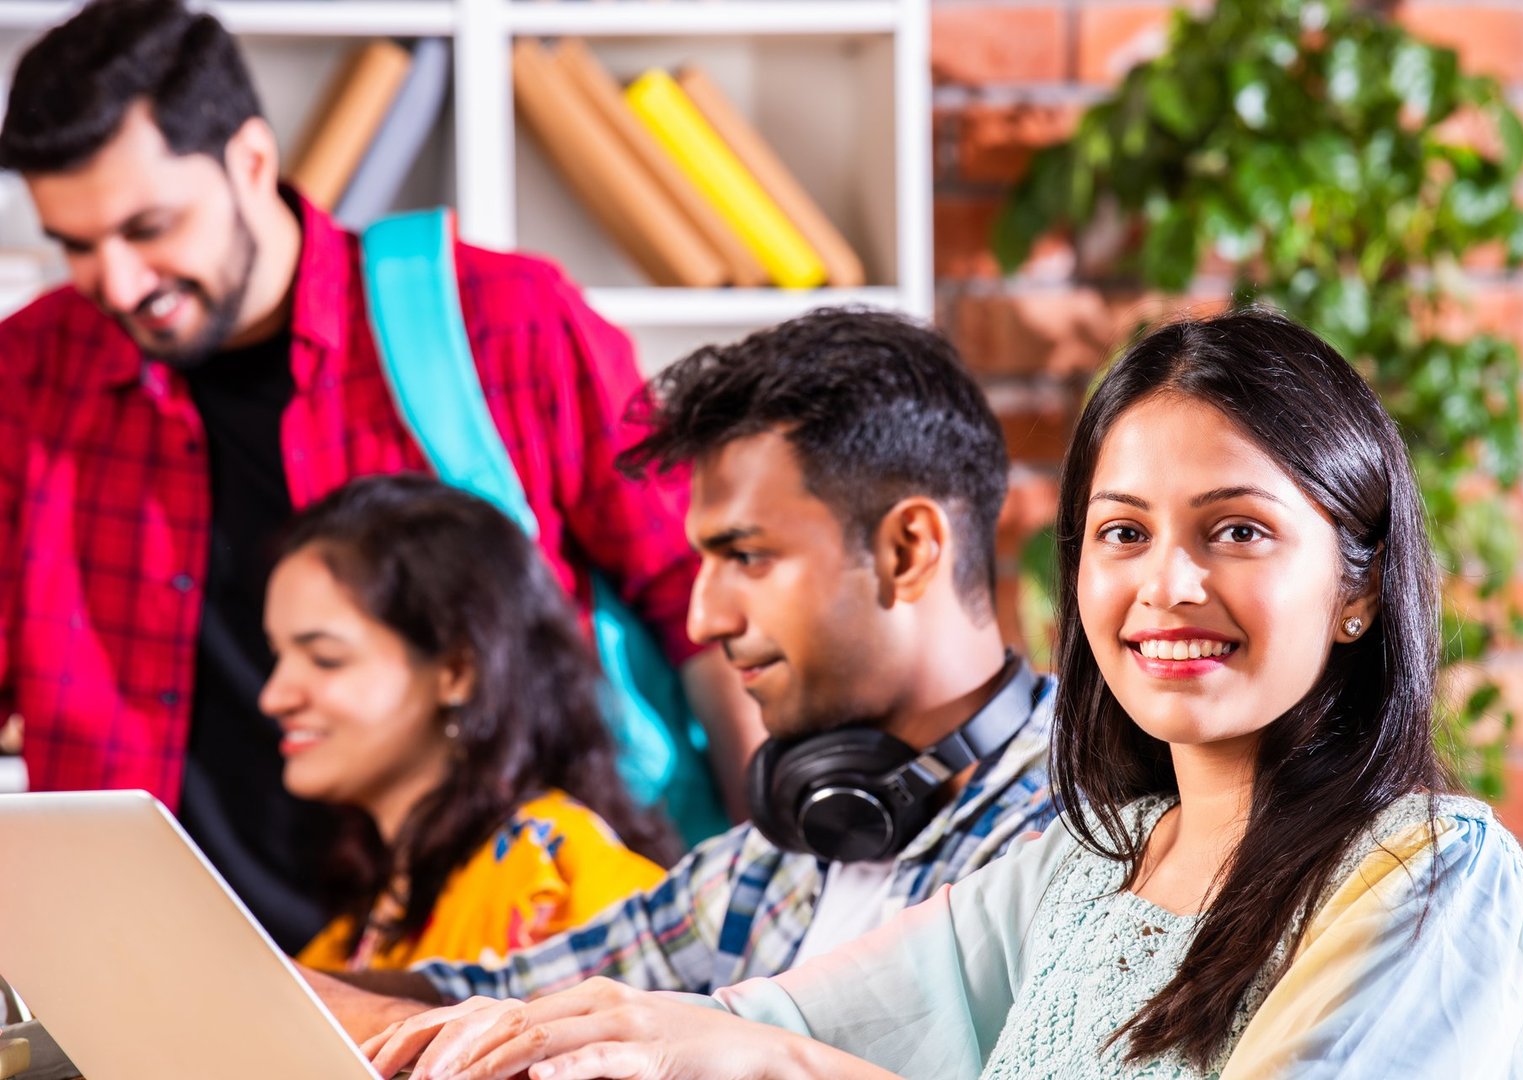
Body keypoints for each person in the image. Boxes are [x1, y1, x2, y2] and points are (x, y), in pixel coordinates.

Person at [363, 309, 1523, 1080]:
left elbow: (790, 1065)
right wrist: (598, 1037)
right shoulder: (1093, 863)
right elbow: (774, 1027)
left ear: (1359, 587)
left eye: (1235, 529)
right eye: (1121, 533)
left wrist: (771, 1067)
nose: (1165, 586)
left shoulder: (1431, 874)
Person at [0, 0, 758, 953]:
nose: (116, 282)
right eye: (75, 244)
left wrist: (755, 919)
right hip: (152, 969)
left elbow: (709, 607)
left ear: (250, 161)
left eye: (149, 227)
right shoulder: (29, 376)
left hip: (489, 958)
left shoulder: (503, 324)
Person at [308, 306, 1059, 1038]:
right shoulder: (785, 850)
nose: (705, 619)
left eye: (747, 557)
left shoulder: (1098, 844)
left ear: (906, 549)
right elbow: (507, 995)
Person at [262, 474, 677, 972]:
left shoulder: (557, 878)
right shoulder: (371, 913)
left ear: (457, 671)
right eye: (277, 656)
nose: (274, 697)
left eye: (325, 659)